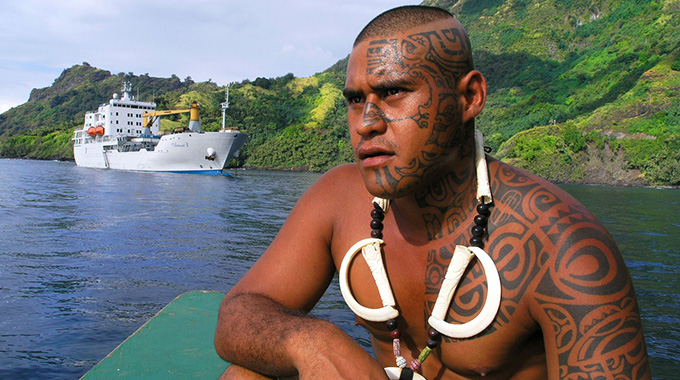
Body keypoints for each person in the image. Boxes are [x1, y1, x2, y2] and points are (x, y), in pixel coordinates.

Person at [214, 5, 650, 380]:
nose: (365, 122)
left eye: (393, 92)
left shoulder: (562, 247)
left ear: (470, 97)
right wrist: (311, 340)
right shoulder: (338, 199)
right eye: (354, 100)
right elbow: (237, 316)